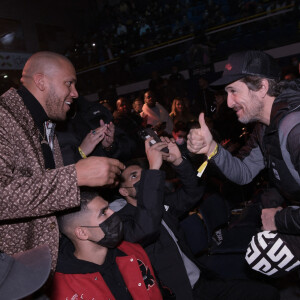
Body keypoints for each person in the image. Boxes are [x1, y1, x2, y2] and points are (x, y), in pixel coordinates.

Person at [0, 51, 125, 269]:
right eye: (69, 83)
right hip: (11, 272)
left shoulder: (45, 125)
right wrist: (75, 175)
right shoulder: (3, 118)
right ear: (40, 81)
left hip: (40, 263)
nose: (75, 93)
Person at [113, 137, 279, 300]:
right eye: (134, 176)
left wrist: (178, 161)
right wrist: (153, 171)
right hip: (179, 293)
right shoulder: (124, 221)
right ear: (124, 192)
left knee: (266, 292)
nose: (143, 179)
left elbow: (194, 191)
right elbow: (146, 227)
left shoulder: (161, 203)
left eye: (144, 174)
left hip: (202, 282)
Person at [187, 50, 300, 251]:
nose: (229, 102)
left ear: (262, 87)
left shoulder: (294, 128)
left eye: (234, 91)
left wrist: (279, 219)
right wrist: (212, 148)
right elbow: (243, 172)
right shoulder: (266, 127)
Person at [52, 189, 163, 300]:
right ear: (82, 233)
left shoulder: (132, 251)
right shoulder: (61, 288)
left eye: (109, 208)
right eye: (103, 213)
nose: (113, 213)